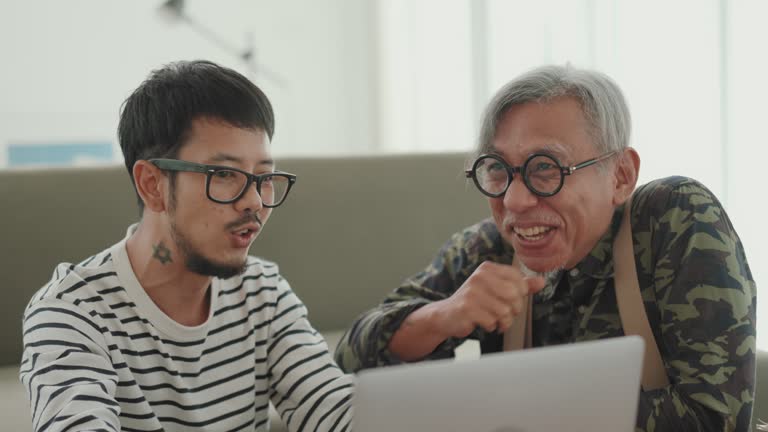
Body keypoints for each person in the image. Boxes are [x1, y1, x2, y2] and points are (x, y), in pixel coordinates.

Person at [334, 65, 756, 431]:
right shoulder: (488, 249)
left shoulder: (673, 219)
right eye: (498, 170)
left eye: (546, 168)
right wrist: (445, 316)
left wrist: (504, 403)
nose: (515, 202)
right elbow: (353, 358)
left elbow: (714, 418)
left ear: (621, 175)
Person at [20, 60, 352, 432]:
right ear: (152, 185)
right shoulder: (72, 314)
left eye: (263, 177)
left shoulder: (263, 291)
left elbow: (333, 409)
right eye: (225, 174)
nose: (255, 202)